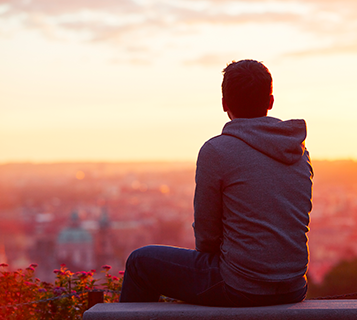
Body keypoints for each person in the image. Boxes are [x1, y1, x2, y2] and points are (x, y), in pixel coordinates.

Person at [120, 59, 313, 307]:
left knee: (139, 262)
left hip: (240, 287)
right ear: (270, 101)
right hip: (294, 287)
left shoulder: (217, 151)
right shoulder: (298, 151)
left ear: (224, 104)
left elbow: (207, 236)